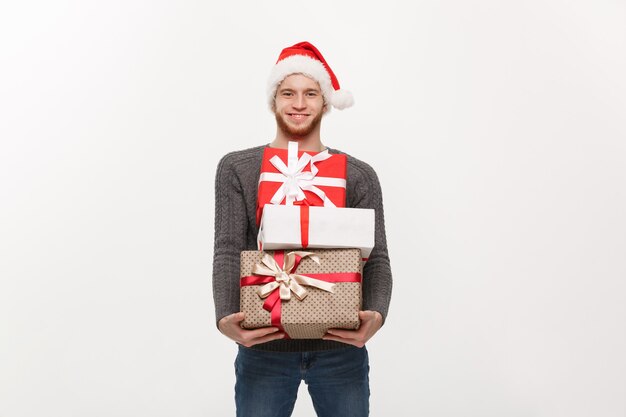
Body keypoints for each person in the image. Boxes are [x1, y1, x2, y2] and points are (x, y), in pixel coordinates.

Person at [212, 41, 393, 417]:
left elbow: (377, 259)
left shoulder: (358, 175)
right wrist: (226, 317)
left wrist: (375, 315)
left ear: (325, 102)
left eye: (310, 93)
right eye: (287, 93)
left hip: (340, 349)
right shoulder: (238, 168)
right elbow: (228, 248)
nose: (298, 103)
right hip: (264, 347)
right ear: (273, 100)